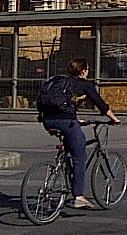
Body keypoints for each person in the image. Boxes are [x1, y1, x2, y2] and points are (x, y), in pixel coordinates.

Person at [39, 58, 121, 210]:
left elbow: (64, 105)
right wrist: (114, 119)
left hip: (48, 120)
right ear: (84, 71)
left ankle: (63, 169)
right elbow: (100, 104)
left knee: (71, 144)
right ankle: (79, 196)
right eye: (88, 69)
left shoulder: (62, 82)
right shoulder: (84, 84)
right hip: (66, 122)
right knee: (80, 155)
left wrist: (76, 119)